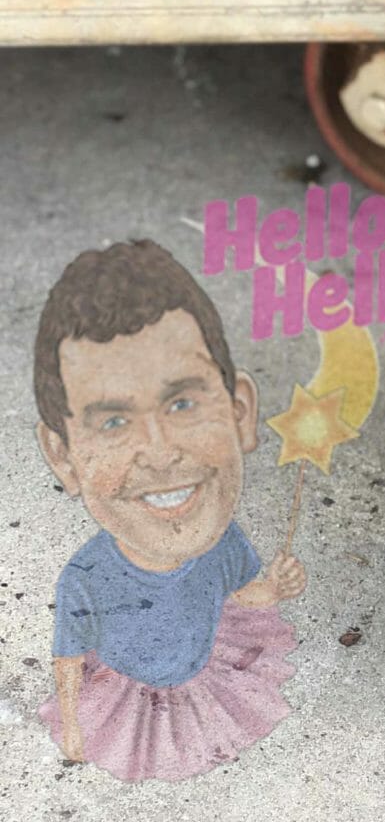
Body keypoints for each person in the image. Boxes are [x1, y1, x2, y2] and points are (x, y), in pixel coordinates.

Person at [33, 239, 305, 781]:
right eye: (112, 421)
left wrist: (270, 591)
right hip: (125, 693)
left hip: (204, 674)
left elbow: (232, 597)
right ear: (62, 457)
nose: (160, 452)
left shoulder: (226, 541)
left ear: (240, 413)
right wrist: (72, 724)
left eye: (182, 402)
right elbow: (68, 659)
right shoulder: (85, 578)